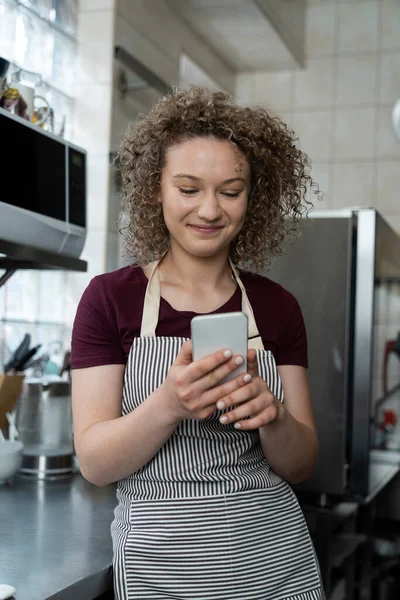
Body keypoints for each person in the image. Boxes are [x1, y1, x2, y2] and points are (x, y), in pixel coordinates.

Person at [71, 86, 324, 600]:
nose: (210, 209)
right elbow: (95, 464)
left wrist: (273, 415)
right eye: (188, 188)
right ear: (155, 190)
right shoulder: (110, 299)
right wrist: (168, 405)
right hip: (160, 573)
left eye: (230, 191)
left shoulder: (277, 307)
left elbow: (300, 464)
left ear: (253, 198)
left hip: (276, 567)